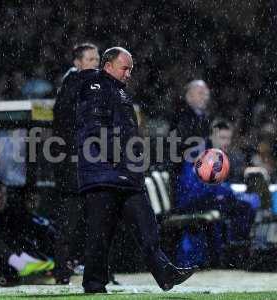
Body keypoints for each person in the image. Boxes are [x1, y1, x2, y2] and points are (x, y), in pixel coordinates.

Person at [76, 47, 197, 293]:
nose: (129, 73)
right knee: (100, 234)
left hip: (126, 175)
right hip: (103, 174)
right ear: (108, 65)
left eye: (131, 68)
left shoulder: (120, 92)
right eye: (125, 68)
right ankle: (94, 285)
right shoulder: (95, 86)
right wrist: (120, 156)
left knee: (147, 226)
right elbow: (95, 129)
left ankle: (165, 274)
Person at [175, 120, 255, 267]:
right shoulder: (201, 154)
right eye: (222, 138)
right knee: (243, 207)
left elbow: (215, 185)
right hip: (192, 201)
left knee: (243, 206)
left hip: (205, 197)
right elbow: (196, 186)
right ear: (212, 136)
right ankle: (232, 253)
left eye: (228, 138)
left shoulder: (216, 154)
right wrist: (225, 192)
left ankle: (232, 250)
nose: (226, 142)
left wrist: (225, 192)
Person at [52, 43, 99, 284]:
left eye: (96, 58)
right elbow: (68, 127)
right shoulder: (73, 86)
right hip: (75, 166)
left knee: (89, 220)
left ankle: (81, 269)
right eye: (90, 59)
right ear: (78, 63)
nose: (95, 63)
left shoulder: (87, 85)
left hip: (85, 164)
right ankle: (62, 270)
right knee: (71, 221)